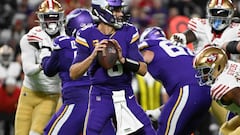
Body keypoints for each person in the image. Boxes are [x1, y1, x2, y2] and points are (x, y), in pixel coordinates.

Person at [69, 0, 156, 134]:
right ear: (102, 10)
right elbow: (73, 73)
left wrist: (123, 60)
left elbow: (143, 70)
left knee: (148, 132)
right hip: (101, 96)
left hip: (126, 94)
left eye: (120, 9)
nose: (120, 14)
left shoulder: (128, 31)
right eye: (115, 10)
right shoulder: (86, 34)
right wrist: (92, 56)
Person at [40, 8, 115, 135]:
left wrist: (44, 55)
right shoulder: (103, 44)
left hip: (77, 102)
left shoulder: (63, 44)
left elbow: (49, 70)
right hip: (101, 103)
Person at [170, 0, 238, 126]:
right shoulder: (200, 25)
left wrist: (228, 46)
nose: (218, 17)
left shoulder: (236, 29)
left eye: (222, 14)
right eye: (214, 12)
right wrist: (183, 37)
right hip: (202, 79)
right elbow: (192, 33)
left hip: (229, 77)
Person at [138, 26, 212, 135]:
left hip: (188, 91)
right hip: (206, 93)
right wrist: (159, 111)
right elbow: (180, 100)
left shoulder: (150, 46)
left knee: (165, 129)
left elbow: (133, 53)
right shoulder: (181, 48)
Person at [15, 0, 65, 134]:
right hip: (29, 91)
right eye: (48, 18)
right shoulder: (30, 38)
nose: (51, 22)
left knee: (35, 133)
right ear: (41, 18)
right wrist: (44, 64)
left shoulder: (66, 39)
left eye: (54, 17)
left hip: (50, 94)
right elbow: (28, 70)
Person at [193, 46, 240, 135]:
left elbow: (234, 92)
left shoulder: (222, 87)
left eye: (205, 71)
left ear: (217, 67)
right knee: (224, 130)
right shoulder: (230, 64)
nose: (203, 76)